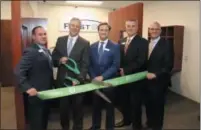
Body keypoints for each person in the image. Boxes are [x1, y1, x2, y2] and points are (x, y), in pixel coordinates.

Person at [52, 17, 90, 130]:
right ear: (69, 26)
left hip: (76, 82)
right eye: (73, 25)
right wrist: (59, 60)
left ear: (80, 28)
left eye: (77, 26)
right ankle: (65, 127)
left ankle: (78, 127)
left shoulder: (85, 43)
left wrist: (79, 79)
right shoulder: (60, 40)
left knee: (77, 109)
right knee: (63, 109)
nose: (75, 28)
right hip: (62, 81)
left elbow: (85, 64)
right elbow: (54, 57)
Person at [14, 26, 53, 130]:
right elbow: (18, 71)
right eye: (40, 34)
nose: (44, 36)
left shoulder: (46, 50)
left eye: (45, 34)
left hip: (46, 94)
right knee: (37, 124)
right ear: (33, 37)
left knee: (44, 121)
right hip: (36, 95)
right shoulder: (31, 51)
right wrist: (27, 88)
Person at [115, 19, 148, 130]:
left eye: (133, 26)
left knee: (136, 104)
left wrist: (126, 70)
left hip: (136, 79)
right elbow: (119, 58)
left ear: (137, 27)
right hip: (123, 79)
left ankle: (137, 126)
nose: (130, 28)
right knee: (124, 102)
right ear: (125, 27)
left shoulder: (143, 42)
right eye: (128, 26)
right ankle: (126, 120)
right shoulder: (121, 41)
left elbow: (141, 60)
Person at [88, 22, 120, 130]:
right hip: (95, 83)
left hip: (108, 82)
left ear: (108, 32)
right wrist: (93, 77)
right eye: (101, 29)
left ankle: (109, 128)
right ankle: (95, 126)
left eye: (106, 30)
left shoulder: (115, 46)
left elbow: (115, 65)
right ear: (98, 31)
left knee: (109, 108)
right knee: (96, 107)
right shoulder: (92, 46)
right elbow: (90, 64)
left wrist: (102, 77)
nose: (103, 32)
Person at [145, 21, 174, 130]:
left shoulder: (166, 44)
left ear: (160, 31)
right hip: (146, 81)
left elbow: (169, 65)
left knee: (158, 106)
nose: (154, 31)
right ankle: (149, 123)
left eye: (156, 29)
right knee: (148, 104)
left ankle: (157, 126)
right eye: (152, 29)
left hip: (159, 81)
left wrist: (156, 74)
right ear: (149, 30)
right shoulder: (147, 43)